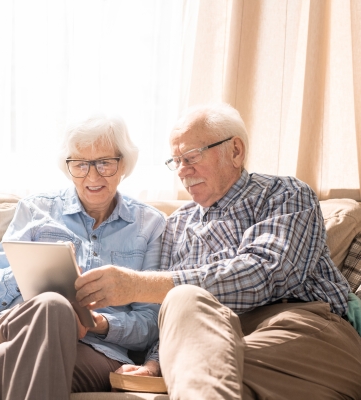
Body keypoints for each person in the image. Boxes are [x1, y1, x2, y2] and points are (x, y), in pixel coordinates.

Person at [75, 103, 361, 399]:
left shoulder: (285, 194)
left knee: (191, 331)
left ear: (235, 151)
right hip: (215, 340)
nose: (183, 172)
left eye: (191, 157)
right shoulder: (178, 224)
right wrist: (154, 363)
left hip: (296, 327)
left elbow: (266, 273)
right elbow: (178, 316)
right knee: (186, 308)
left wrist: (139, 285)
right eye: (176, 161)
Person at [0, 114, 165, 399]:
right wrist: (30, 271)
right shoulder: (36, 210)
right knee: (53, 306)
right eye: (81, 164)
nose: (92, 177)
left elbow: (149, 324)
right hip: (7, 330)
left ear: (123, 164)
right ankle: (4, 361)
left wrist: (101, 324)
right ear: (67, 167)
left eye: (104, 163)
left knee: (12, 361)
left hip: (95, 351)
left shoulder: (150, 225)